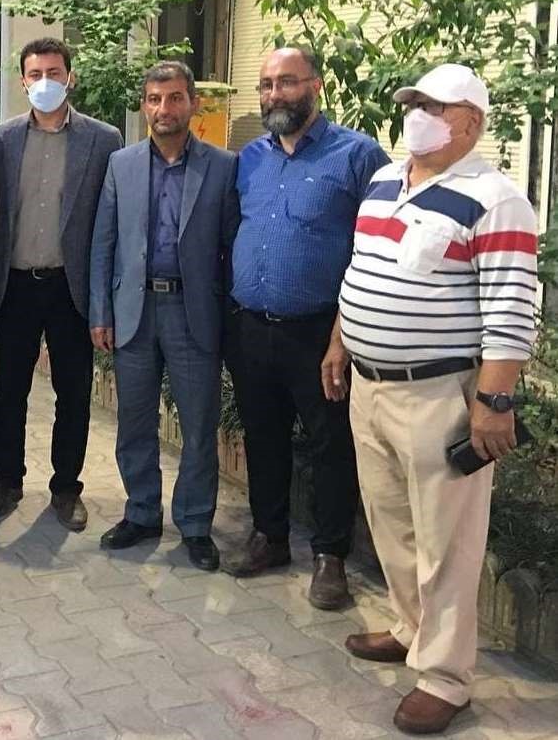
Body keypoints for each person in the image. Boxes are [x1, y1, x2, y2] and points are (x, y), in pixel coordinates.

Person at [330, 64, 537, 735]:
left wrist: (493, 401)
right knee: (390, 519)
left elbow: (510, 310)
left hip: (437, 393)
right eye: (413, 102)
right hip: (369, 385)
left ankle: (446, 676)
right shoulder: (383, 181)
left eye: (433, 106)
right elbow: (361, 271)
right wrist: (339, 344)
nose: (416, 113)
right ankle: (409, 627)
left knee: (447, 541)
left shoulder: (495, 199)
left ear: (470, 122)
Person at [224, 47, 390, 608]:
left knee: (329, 444)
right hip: (252, 328)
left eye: (287, 82)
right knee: (262, 436)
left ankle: (330, 555)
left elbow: (376, 252)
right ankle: (269, 537)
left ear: (315, 85)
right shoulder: (250, 158)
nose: (274, 94)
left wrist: (341, 338)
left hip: (321, 334)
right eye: (266, 84)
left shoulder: (358, 156)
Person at [89, 61, 239, 570]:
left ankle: (195, 523)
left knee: (198, 424)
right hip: (133, 309)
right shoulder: (121, 164)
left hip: (192, 311)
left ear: (192, 103)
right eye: (154, 99)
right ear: (144, 105)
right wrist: (100, 310)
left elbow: (231, 246)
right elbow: (104, 242)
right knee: (134, 421)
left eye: (174, 98)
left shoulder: (222, 166)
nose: (164, 108)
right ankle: (141, 513)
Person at [0, 37, 122, 531]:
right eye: (36, 74)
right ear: (23, 82)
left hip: (69, 287)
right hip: (15, 285)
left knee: (73, 393)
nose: (45, 82)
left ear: (70, 77)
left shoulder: (103, 140)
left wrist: (103, 300)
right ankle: (6, 481)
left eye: (54, 72)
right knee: (8, 392)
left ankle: (66, 488)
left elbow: (110, 223)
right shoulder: (0, 139)